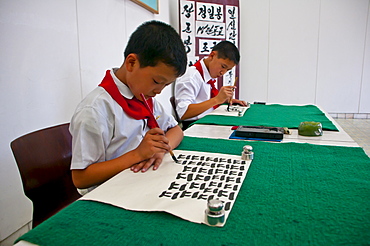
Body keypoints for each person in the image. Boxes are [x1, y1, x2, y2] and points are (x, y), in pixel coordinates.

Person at [69, 20, 187, 193]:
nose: (159, 91)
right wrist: (138, 155)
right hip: (108, 193)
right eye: (156, 82)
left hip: (140, 182)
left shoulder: (143, 96)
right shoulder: (95, 110)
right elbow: (81, 178)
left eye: (165, 85)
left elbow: (176, 130)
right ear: (131, 63)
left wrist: (159, 150)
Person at [174, 41, 247, 130]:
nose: (222, 73)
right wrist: (217, 100)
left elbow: (204, 100)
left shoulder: (208, 74)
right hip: (193, 126)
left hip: (206, 120)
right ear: (212, 55)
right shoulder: (191, 77)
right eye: (223, 66)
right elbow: (183, 113)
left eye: (228, 70)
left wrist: (224, 100)